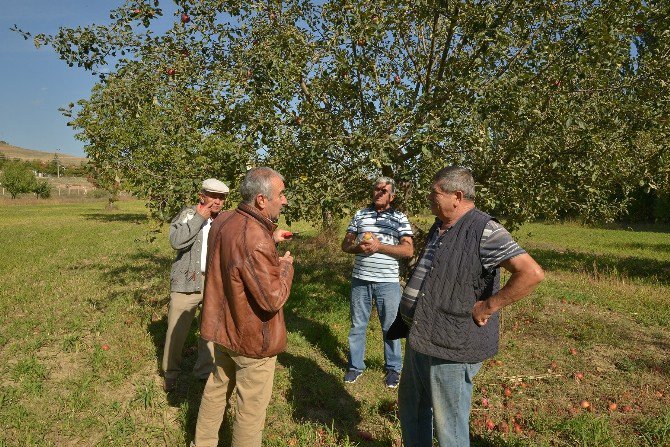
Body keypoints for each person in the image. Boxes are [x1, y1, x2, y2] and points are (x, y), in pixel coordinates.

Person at [394, 166, 544, 447]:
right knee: (412, 408)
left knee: (448, 423)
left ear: (457, 196)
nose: (429, 197)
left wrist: (488, 305)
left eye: (435, 193)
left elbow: (531, 273)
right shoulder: (440, 226)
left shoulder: (485, 230)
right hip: (422, 335)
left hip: (452, 344)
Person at [192, 167, 294, 447]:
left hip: (223, 330)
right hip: (251, 340)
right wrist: (284, 267)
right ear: (262, 200)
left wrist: (269, 240)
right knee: (250, 411)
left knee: (214, 392)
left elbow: (235, 256)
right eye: (281, 194)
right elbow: (272, 298)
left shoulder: (223, 220)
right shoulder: (254, 237)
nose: (284, 200)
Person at [341, 176, 414, 388]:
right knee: (357, 325)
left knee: (390, 326)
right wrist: (358, 248)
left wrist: (379, 247)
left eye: (384, 190)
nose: (379, 193)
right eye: (376, 189)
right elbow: (346, 244)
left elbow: (408, 250)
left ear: (392, 195)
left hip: (387, 282)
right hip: (360, 279)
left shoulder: (400, 218)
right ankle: (355, 366)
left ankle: (393, 368)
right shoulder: (360, 215)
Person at [163, 178, 229, 393]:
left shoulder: (225, 220)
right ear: (202, 196)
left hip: (213, 282)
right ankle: (170, 372)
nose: (217, 201)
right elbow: (176, 241)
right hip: (186, 280)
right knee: (176, 329)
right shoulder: (188, 214)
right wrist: (200, 218)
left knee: (210, 330)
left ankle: (204, 372)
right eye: (213, 196)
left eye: (221, 197)